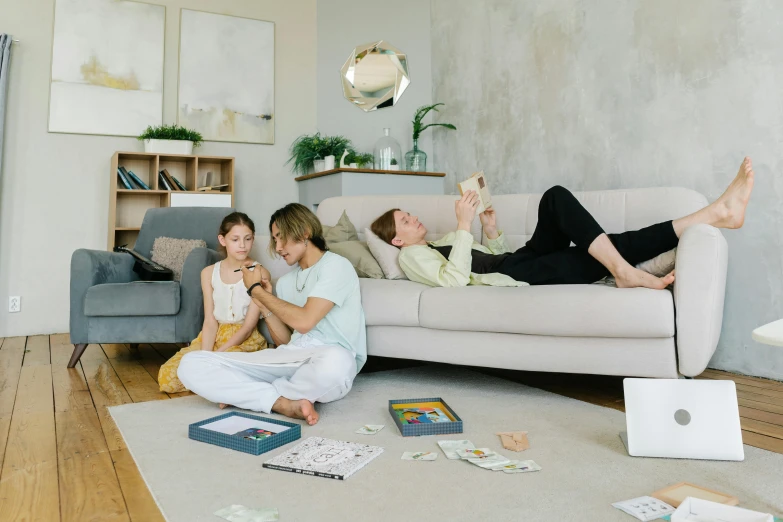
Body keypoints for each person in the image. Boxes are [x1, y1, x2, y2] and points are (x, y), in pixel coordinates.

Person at [370, 158, 755, 289]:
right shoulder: (411, 259)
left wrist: (488, 230)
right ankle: (716, 214)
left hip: (517, 261)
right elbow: (454, 281)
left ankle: (716, 214)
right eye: (405, 221)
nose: (414, 218)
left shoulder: (433, 244)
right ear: (398, 240)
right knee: (617, 245)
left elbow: (489, 262)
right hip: (523, 274)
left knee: (554, 197)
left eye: (409, 214)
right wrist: (461, 225)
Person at [178, 203, 366, 426]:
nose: (277, 247)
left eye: (280, 238)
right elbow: (286, 342)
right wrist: (265, 304)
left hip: (329, 358)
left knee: (336, 363)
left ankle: (251, 395)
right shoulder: (286, 283)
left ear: (304, 232)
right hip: (289, 358)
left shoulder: (336, 266)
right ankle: (282, 403)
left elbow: (305, 322)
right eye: (275, 240)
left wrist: (255, 290)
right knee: (191, 363)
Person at [158, 212, 268, 393]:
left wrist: (217, 356)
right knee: (167, 375)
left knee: (225, 369)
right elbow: (210, 320)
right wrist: (206, 355)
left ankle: (213, 385)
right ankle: (214, 386)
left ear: (252, 239)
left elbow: (248, 326)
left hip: (243, 341)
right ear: (222, 240)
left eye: (247, 239)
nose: (242, 245)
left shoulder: (260, 273)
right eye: (235, 239)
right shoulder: (208, 273)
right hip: (211, 337)